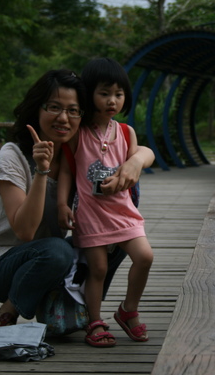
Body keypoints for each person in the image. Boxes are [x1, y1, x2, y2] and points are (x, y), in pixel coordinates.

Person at [0, 69, 155, 329]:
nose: (63, 118)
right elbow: (25, 231)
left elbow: (139, 147)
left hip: (48, 262)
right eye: (54, 107)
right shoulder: (12, 155)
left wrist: (136, 161)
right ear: (37, 109)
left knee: (114, 239)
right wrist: (41, 170)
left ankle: (69, 305)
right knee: (57, 251)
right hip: (0, 263)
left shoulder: (79, 155)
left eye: (73, 111)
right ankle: (8, 310)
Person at [58, 58, 154, 348]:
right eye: (104, 93)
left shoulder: (126, 132)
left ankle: (128, 310)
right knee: (97, 268)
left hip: (123, 211)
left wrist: (131, 169)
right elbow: (66, 170)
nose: (112, 100)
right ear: (89, 94)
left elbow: (136, 163)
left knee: (145, 257)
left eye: (119, 94)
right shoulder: (79, 132)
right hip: (91, 214)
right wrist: (62, 203)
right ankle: (95, 321)